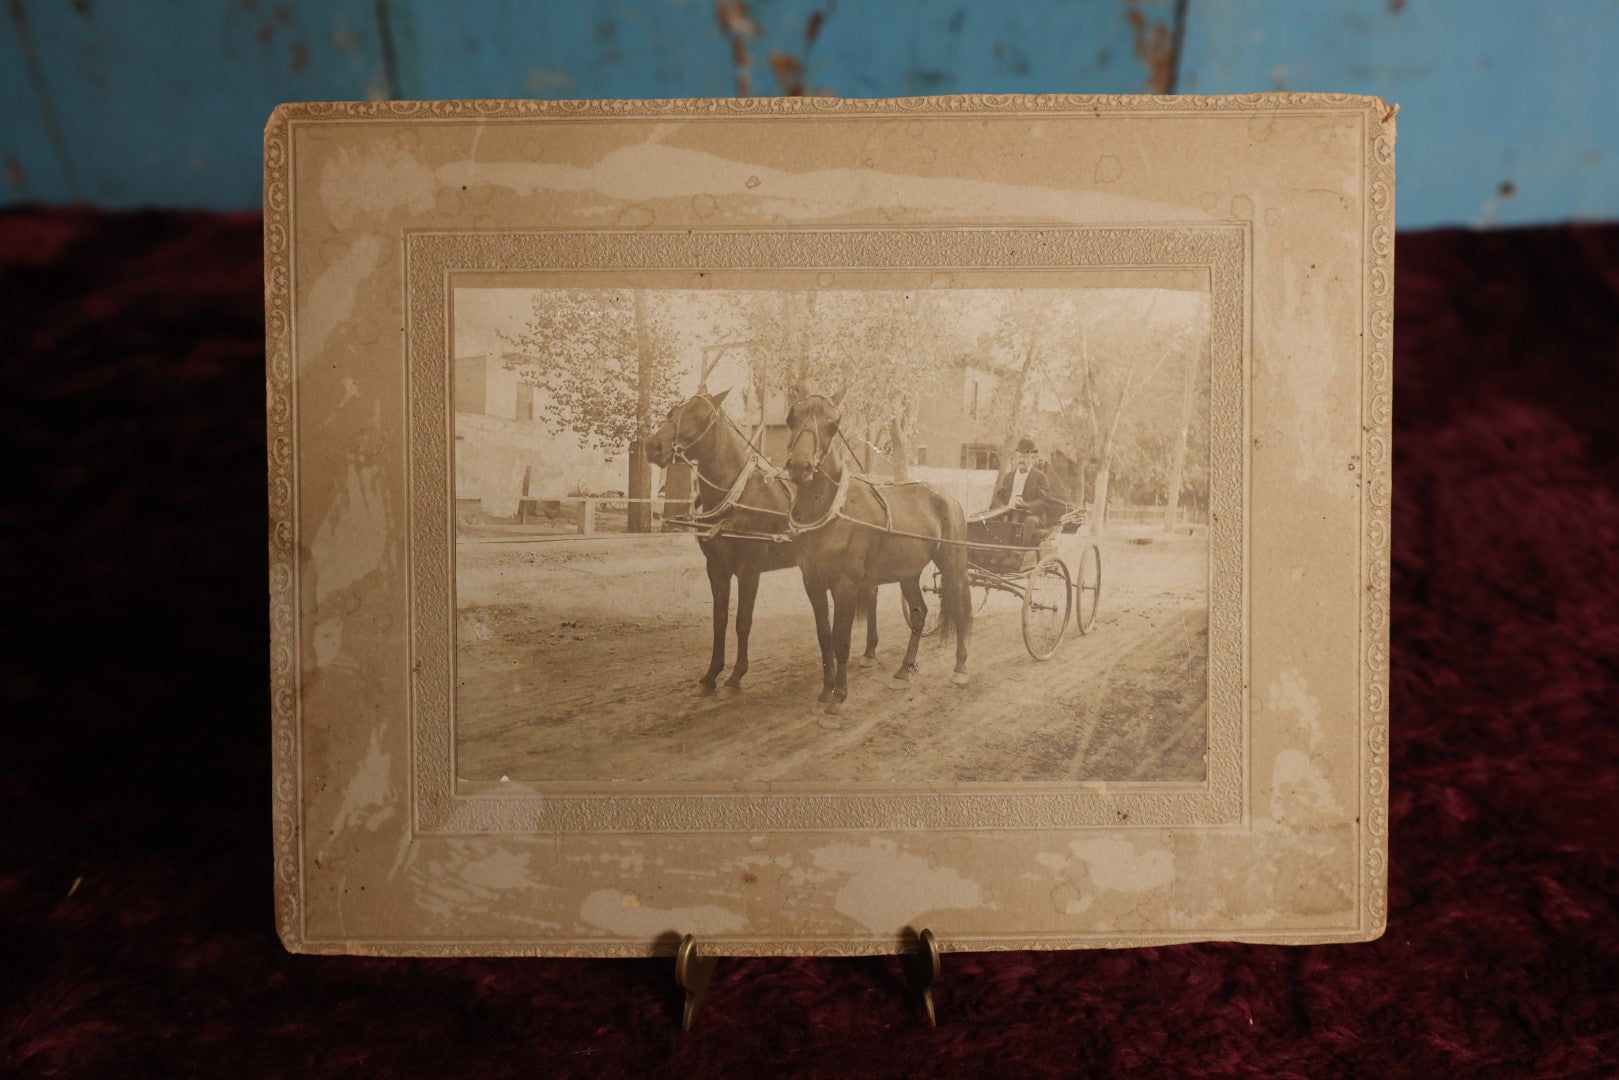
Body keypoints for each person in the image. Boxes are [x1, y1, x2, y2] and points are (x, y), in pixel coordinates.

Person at [989, 437, 1067, 546]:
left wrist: (1027, 505)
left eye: (1025, 457)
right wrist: (1002, 506)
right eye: (1020, 456)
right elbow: (998, 497)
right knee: (988, 519)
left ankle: (1021, 554)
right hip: (1008, 512)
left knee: (1029, 521)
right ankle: (994, 551)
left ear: (1033, 458)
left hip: (1032, 514)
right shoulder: (1008, 477)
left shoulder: (1041, 477)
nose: (1021, 460)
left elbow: (1047, 500)